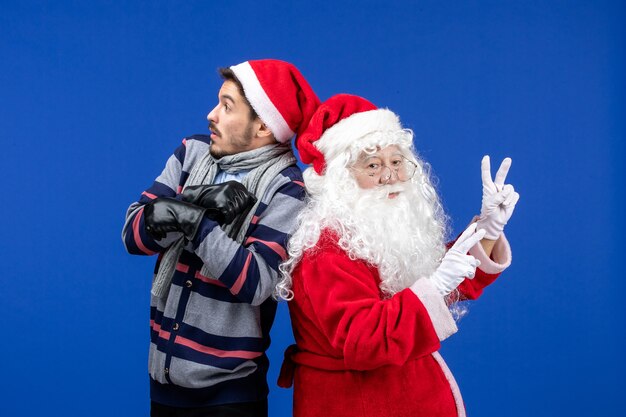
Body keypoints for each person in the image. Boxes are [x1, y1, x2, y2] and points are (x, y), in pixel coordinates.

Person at [276, 94, 519, 417]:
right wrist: (434, 286)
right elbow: (365, 340)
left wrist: (487, 230)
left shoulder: (372, 230)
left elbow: (443, 280)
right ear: (340, 179)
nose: (390, 176)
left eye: (396, 162)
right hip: (356, 404)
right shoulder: (326, 247)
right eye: (373, 165)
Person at [122, 59, 320, 417]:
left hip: (231, 398)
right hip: (163, 383)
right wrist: (191, 202)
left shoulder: (287, 190)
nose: (211, 115)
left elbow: (257, 282)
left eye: (227, 107)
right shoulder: (192, 153)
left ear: (262, 125)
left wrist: (195, 224)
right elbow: (134, 234)